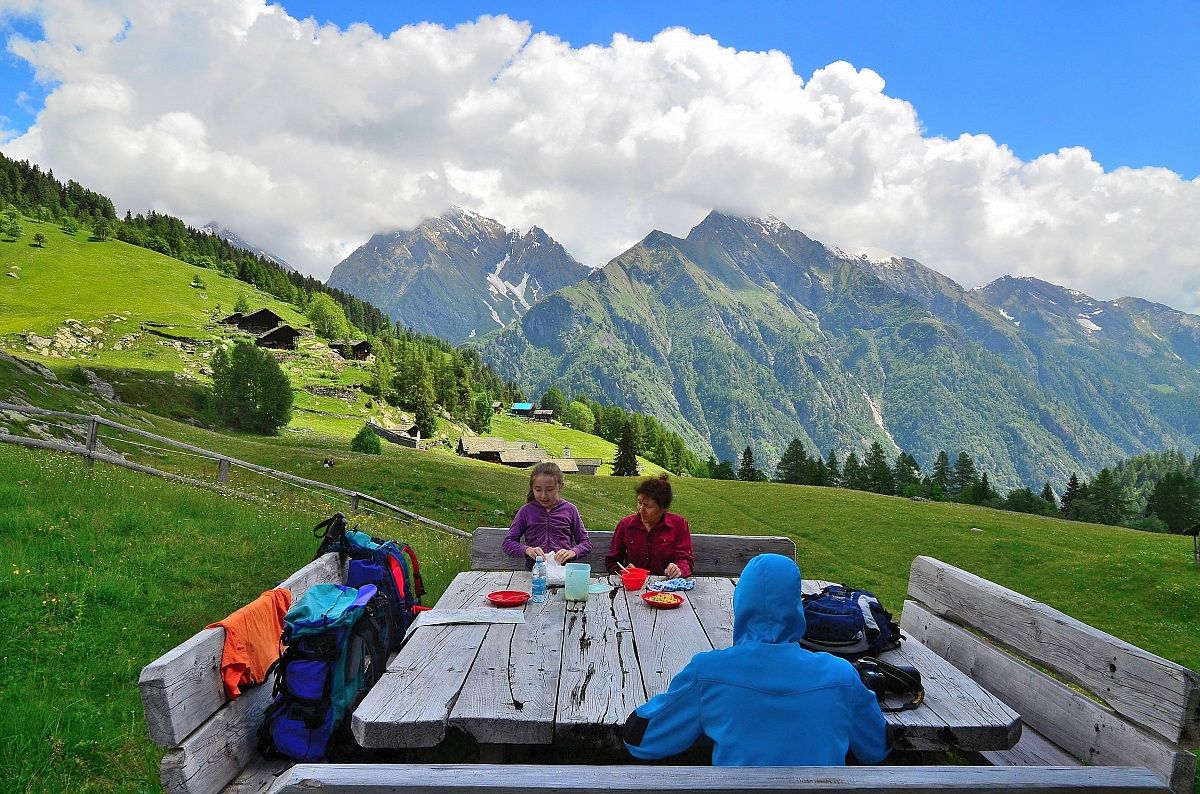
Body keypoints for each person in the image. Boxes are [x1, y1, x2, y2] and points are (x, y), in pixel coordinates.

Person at [622, 553, 889, 766]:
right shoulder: (841, 675)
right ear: (797, 607)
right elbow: (876, 749)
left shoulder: (708, 671)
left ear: (741, 603)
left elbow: (642, 740)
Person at [502, 461, 592, 566]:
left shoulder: (570, 510)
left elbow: (586, 543)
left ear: (561, 487)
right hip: (535, 574)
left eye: (550, 490)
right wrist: (527, 550)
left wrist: (573, 552)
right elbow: (508, 543)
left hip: (563, 572)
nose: (543, 495)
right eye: (538, 490)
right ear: (532, 488)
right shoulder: (526, 511)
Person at [605, 474, 693, 579]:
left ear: (663, 508)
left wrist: (678, 569)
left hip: (666, 588)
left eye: (648, 506)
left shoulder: (679, 524)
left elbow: (685, 560)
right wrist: (623, 572)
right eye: (639, 503)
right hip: (634, 587)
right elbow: (612, 561)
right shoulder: (625, 525)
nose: (641, 510)